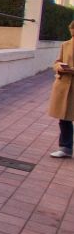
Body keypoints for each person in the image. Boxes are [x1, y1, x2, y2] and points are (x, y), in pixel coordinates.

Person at [49, 21, 74, 158]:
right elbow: (57, 61)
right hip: (64, 86)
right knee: (64, 118)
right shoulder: (65, 45)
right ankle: (65, 148)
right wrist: (59, 66)